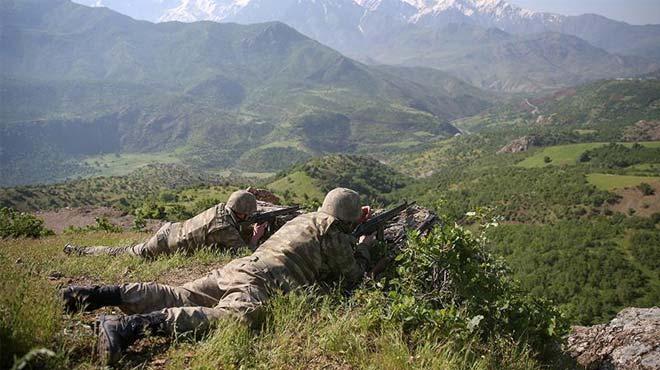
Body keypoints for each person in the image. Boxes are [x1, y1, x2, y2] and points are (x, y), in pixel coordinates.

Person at [61, 187, 375, 365]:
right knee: (233, 319)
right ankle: (127, 327)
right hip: (262, 283)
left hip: (239, 268)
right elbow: (352, 277)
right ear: (348, 219)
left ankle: (95, 295)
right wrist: (364, 246)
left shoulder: (306, 219)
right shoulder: (334, 232)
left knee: (179, 294)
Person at [62, 190, 269, 258]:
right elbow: (245, 255)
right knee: (125, 252)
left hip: (171, 229)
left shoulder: (220, 209)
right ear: (241, 213)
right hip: (165, 244)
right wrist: (256, 237)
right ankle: (80, 250)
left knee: (128, 248)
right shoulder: (224, 228)